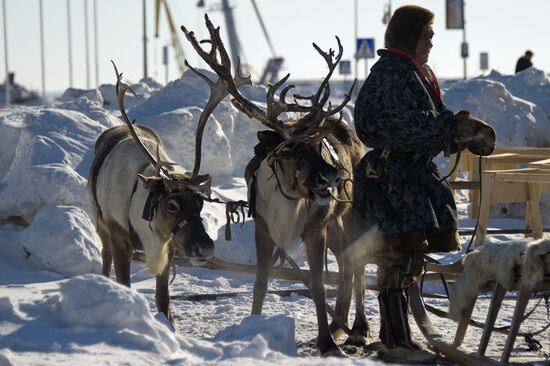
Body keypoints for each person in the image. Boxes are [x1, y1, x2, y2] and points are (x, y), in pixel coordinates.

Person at [352, 5, 495, 362]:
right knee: (397, 256)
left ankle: (395, 337)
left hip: (409, 176)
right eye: (426, 34)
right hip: (392, 180)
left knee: (409, 256)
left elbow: (423, 123)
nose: (431, 41)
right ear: (408, 35)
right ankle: (396, 343)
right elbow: (404, 127)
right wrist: (454, 129)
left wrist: (454, 133)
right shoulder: (393, 75)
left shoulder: (410, 71)